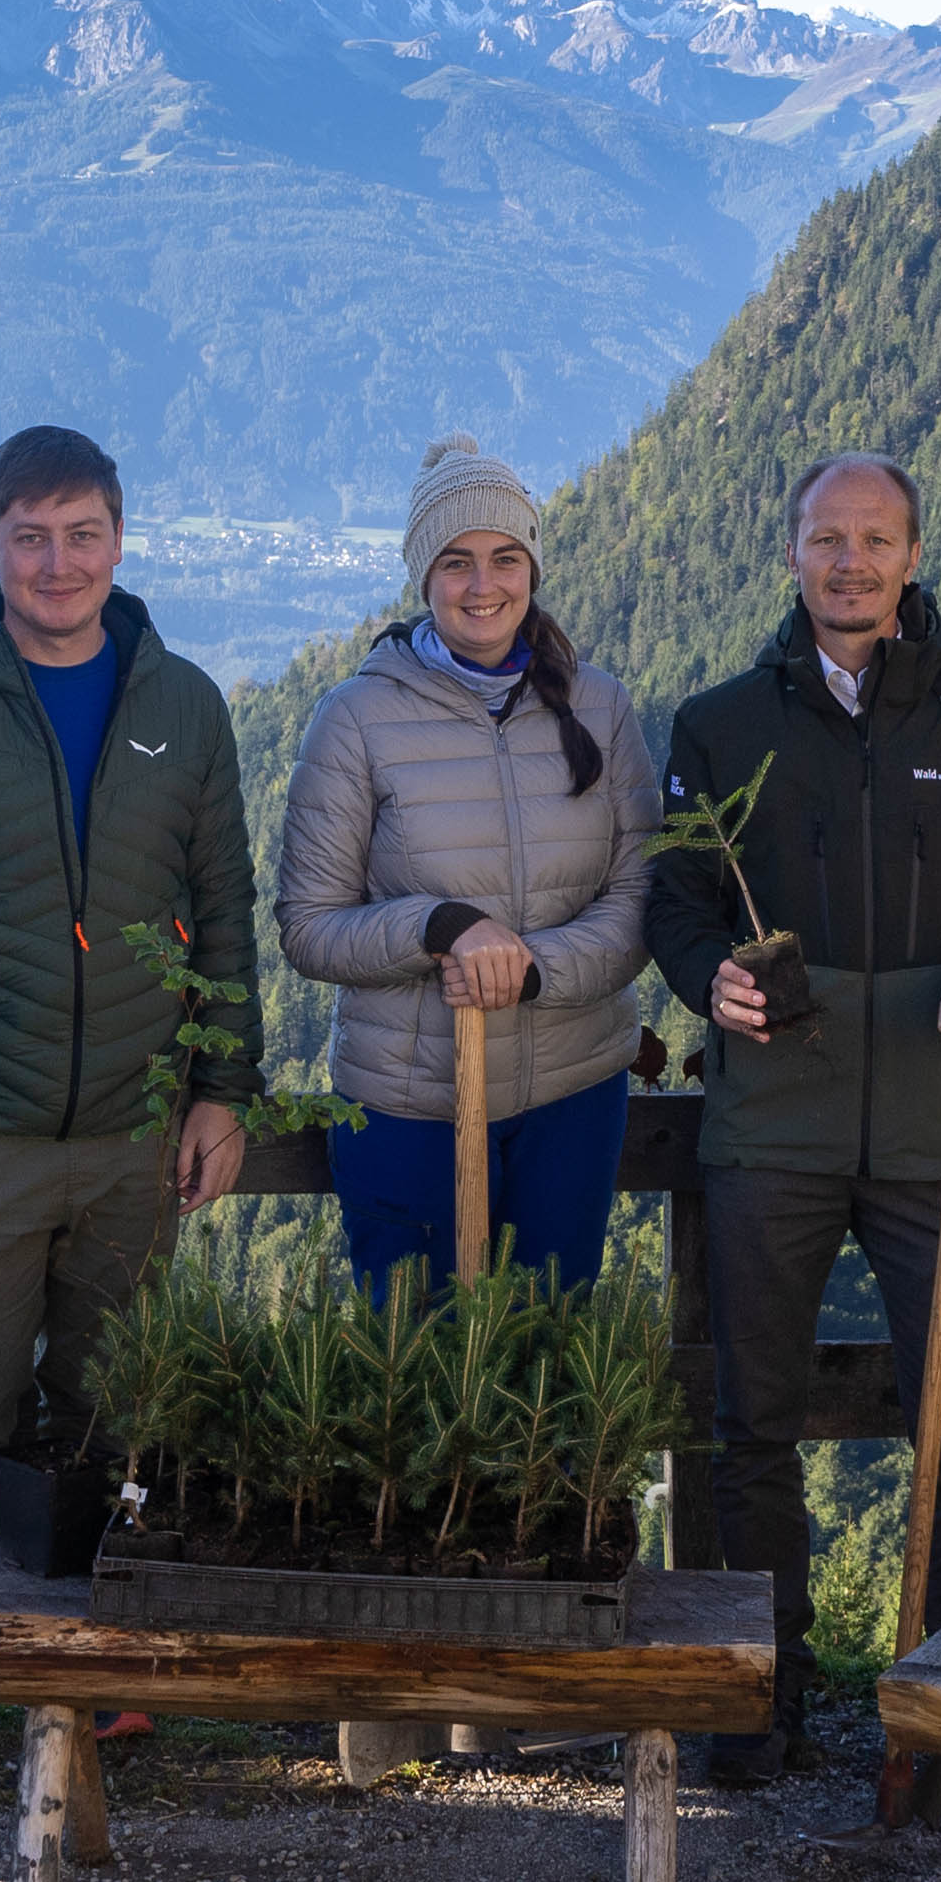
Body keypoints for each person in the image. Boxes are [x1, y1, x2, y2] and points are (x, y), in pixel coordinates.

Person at [646, 451, 941, 1793]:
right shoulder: (720, 723)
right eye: (826, 537)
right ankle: (748, 1696)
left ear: (912, 553)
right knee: (749, 1420)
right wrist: (702, 977)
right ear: (790, 552)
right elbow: (672, 902)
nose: (850, 561)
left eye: (875, 538)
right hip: (768, 1111)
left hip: (934, 1108)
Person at [0, 424, 257, 1741]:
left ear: (119, 539)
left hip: (137, 1122)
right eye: (30, 534)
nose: (57, 561)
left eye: (81, 533)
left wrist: (221, 1086)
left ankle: (92, 1640)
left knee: (110, 1399)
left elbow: (225, 909)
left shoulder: (178, 703)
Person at [276, 438, 658, 1301]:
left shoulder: (597, 704)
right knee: (417, 1358)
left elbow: (641, 896)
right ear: (422, 576)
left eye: (503, 558)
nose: (483, 585)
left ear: (532, 566)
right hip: (408, 1104)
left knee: (551, 1357)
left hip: (573, 1088)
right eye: (456, 562)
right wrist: (436, 926)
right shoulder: (356, 720)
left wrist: (531, 971)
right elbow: (308, 926)